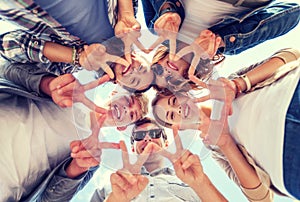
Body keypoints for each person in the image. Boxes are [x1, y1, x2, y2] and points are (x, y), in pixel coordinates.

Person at [151, 48, 300, 200]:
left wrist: (239, 84)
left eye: (174, 101)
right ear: (179, 127)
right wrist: (225, 142)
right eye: (171, 115)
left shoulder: (226, 84)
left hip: (291, 94)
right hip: (287, 160)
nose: (179, 109)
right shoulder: (216, 148)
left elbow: (292, 55)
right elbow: (262, 197)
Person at [0, 74, 120, 201]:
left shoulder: (94, 158)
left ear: (124, 128)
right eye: (130, 100)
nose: (127, 110)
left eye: (134, 115)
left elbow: (50, 199)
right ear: (115, 92)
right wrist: (47, 84)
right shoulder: (72, 88)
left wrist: (78, 167)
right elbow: (8, 68)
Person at [0, 1, 155, 92]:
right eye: (142, 68)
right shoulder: (128, 14)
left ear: (117, 83)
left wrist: (76, 56)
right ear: (141, 56)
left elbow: (7, 45)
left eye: (133, 80)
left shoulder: (65, 68)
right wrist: (126, 13)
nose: (134, 71)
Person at [144, 0, 300, 87]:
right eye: (172, 80)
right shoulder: (229, 46)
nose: (166, 72)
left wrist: (167, 9)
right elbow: (292, 13)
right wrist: (221, 38)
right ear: (186, 78)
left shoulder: (156, 26)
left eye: (158, 71)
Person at [89, 117, 228, 201]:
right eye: (140, 136)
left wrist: (201, 183)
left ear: (166, 143)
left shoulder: (192, 180)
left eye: (154, 133)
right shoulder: (110, 188)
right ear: (133, 148)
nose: (148, 138)